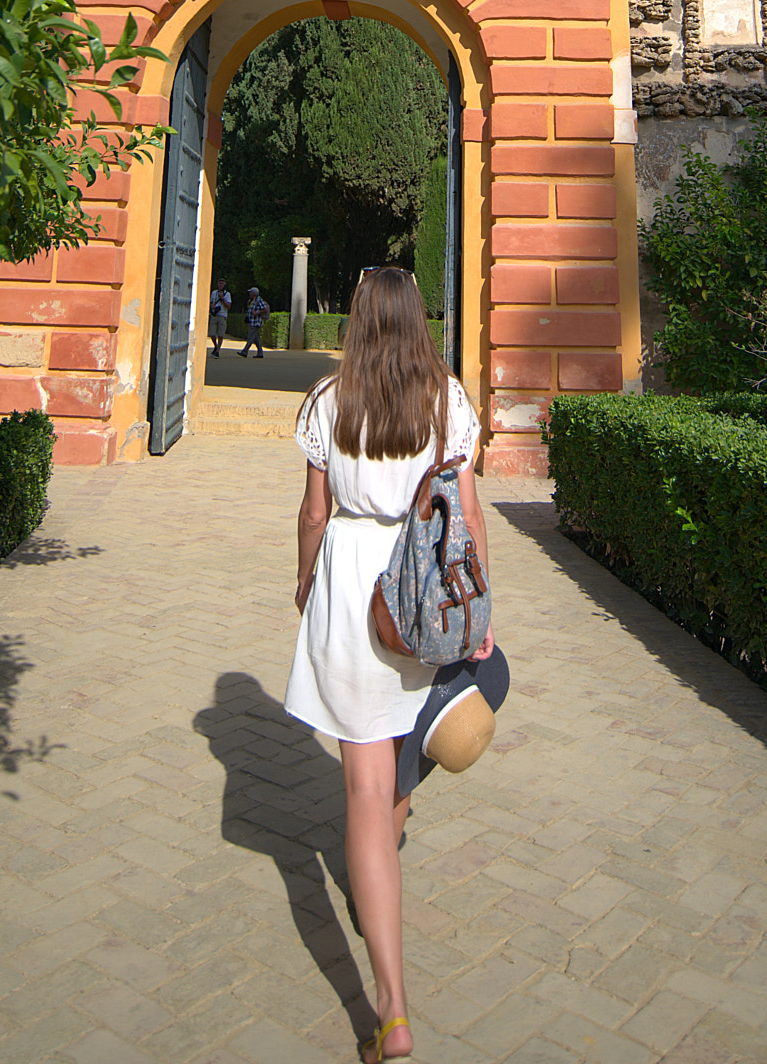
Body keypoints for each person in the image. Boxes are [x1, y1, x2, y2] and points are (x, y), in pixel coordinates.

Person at [285, 267, 492, 1064]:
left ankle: (392, 1010)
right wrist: (483, 609)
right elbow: (466, 512)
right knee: (399, 766)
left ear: (361, 320)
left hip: (352, 589)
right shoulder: (448, 400)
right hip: (429, 590)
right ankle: (381, 864)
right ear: (418, 321)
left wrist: (305, 579)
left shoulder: (327, 401)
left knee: (365, 787)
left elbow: (312, 512)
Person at [239, 286, 269, 358]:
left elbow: (265, 309)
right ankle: (260, 353)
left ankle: (245, 351)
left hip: (256, 322)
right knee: (256, 338)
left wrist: (257, 312)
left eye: (251, 292)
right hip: (252, 321)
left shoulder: (259, 300)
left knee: (250, 337)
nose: (249, 293)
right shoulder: (252, 300)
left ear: (254, 293)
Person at [208, 278, 232, 356]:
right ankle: (216, 346)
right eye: (219, 283)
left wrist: (222, 299)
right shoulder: (214, 293)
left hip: (222, 315)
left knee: (221, 334)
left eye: (222, 284)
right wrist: (212, 306)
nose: (220, 285)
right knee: (212, 333)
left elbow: (228, 306)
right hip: (214, 314)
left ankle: (218, 350)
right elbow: (210, 302)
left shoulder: (227, 294)